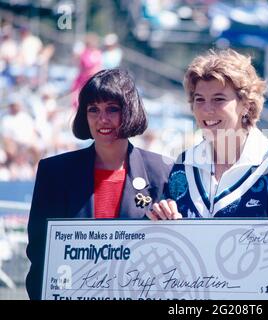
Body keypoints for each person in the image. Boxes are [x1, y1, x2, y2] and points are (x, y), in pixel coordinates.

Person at [25, 69, 173, 300]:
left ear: (130, 111)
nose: (102, 119)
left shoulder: (163, 172)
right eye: (93, 110)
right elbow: (39, 253)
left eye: (112, 109)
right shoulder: (53, 172)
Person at [147, 49, 268, 220]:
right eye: (199, 99)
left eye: (219, 99)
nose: (207, 110)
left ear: (246, 104)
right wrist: (162, 219)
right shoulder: (184, 165)